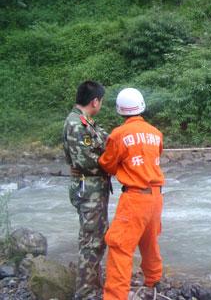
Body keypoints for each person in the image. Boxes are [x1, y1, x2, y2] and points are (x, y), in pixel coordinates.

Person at [98, 88, 165, 300]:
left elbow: (107, 164)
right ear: (141, 106)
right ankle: (154, 280)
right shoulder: (155, 132)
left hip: (135, 197)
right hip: (156, 197)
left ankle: (115, 296)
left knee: (119, 246)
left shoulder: (118, 135)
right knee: (149, 240)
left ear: (120, 110)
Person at [63, 80, 111, 300]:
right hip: (88, 187)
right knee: (91, 241)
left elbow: (105, 141)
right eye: (101, 100)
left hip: (92, 188)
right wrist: (113, 163)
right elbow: (88, 161)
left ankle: (92, 286)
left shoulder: (86, 122)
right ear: (95, 101)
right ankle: (86, 293)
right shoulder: (77, 125)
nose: (101, 104)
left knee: (96, 239)